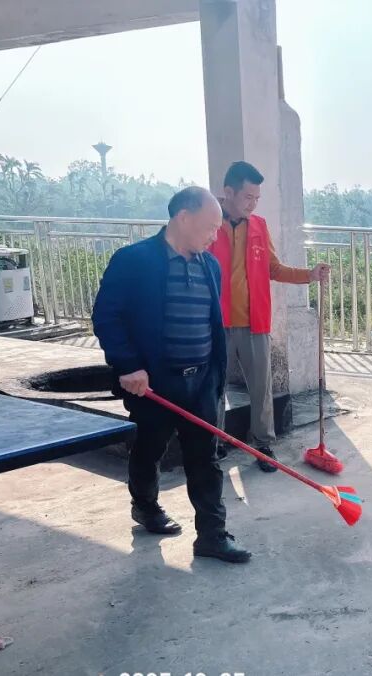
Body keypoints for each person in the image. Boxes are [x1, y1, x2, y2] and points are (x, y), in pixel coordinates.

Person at [92, 186, 251, 564]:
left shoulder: (209, 266)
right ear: (183, 217)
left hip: (202, 382)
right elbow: (106, 316)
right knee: (149, 450)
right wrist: (127, 365)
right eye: (210, 227)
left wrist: (215, 377)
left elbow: (211, 323)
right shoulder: (134, 260)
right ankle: (146, 506)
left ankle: (211, 535)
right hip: (154, 382)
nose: (215, 236)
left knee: (206, 459)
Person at [208, 161, 329, 472]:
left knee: (261, 389)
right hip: (215, 322)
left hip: (254, 321)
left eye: (256, 198)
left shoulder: (259, 226)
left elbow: (273, 268)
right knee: (214, 387)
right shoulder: (208, 224)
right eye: (248, 197)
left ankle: (263, 444)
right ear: (228, 192)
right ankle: (214, 443)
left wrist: (309, 275)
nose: (252, 204)